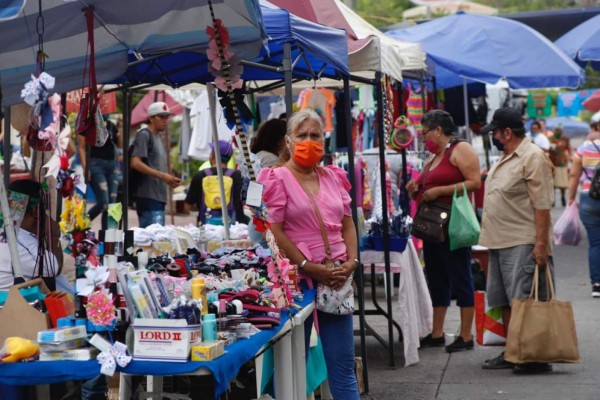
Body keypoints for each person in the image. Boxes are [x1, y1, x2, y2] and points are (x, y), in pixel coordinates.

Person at [257, 109, 360, 399]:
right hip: (296, 280)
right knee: (292, 365)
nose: (309, 141)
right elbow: (274, 231)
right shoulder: (275, 178)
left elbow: (348, 224)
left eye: (315, 135)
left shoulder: (334, 177)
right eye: (302, 135)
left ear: (324, 139)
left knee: (342, 365)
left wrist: (351, 262)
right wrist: (307, 265)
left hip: (337, 278)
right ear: (288, 141)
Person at [479, 107, 554, 374]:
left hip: (522, 241)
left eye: (496, 133)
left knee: (524, 301)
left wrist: (541, 244)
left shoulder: (533, 157)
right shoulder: (506, 157)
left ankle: (531, 355)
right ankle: (514, 350)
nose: (494, 138)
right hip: (499, 241)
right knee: (504, 300)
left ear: (507, 132)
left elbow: (542, 204)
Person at [405, 110, 481, 353]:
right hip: (434, 228)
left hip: (453, 225)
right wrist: (415, 188)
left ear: (438, 130)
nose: (423, 137)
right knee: (437, 278)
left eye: (425, 132)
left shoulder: (460, 149)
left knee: (460, 276)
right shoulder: (434, 156)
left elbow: (474, 182)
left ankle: (466, 335)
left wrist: (441, 191)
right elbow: (429, 186)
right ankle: (437, 333)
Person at [0, 180, 63, 291]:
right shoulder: (22, 242)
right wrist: (53, 236)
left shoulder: (7, 232)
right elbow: (54, 268)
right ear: (35, 212)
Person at [130, 102, 181, 228]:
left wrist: (169, 178)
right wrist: (163, 176)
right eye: (161, 117)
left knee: (158, 239)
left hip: (158, 195)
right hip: (147, 195)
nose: (165, 120)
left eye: (166, 117)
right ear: (151, 118)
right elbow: (135, 163)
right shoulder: (144, 135)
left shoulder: (158, 137)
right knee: (151, 239)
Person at [185, 140, 249, 225]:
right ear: (229, 158)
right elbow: (247, 202)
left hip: (207, 227)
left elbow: (187, 206)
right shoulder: (239, 176)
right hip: (236, 228)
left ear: (212, 156)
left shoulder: (199, 176)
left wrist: (204, 207)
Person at [567, 133, 600, 297]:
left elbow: (574, 175)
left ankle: (597, 284)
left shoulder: (584, 148)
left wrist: (571, 198)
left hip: (589, 199)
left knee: (595, 243)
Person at [78, 114, 121, 229]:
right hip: (95, 164)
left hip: (111, 165)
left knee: (114, 205)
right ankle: (81, 226)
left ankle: (110, 238)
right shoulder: (88, 124)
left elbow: (120, 144)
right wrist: (85, 167)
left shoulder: (111, 125)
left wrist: (121, 126)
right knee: (104, 202)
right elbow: (81, 147)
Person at [548, 126, 571, 207]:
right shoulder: (550, 138)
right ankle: (553, 199)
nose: (557, 132)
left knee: (562, 182)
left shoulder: (565, 138)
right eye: (556, 130)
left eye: (559, 130)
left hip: (562, 161)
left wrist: (570, 158)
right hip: (552, 161)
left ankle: (562, 197)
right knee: (552, 182)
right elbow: (547, 148)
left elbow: (569, 148)